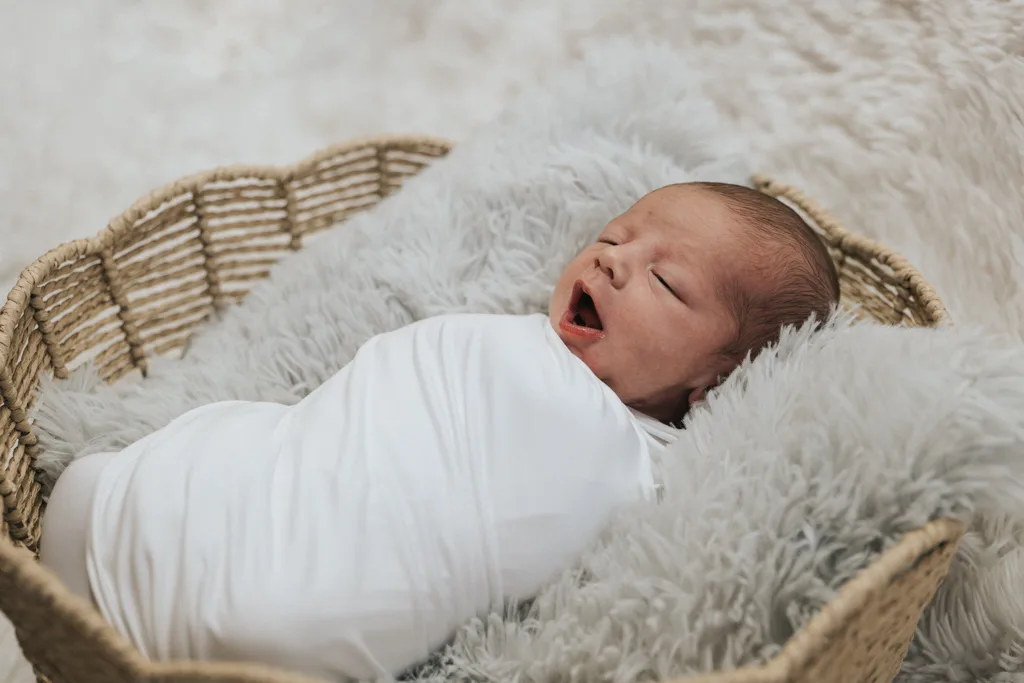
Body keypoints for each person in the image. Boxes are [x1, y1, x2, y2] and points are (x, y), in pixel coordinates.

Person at [40, 182, 840, 680]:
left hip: (298, 625)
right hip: (225, 495)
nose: (615, 262)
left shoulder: (643, 459)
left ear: (715, 384)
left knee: (256, 575)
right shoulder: (521, 339)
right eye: (613, 235)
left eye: (666, 279)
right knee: (130, 483)